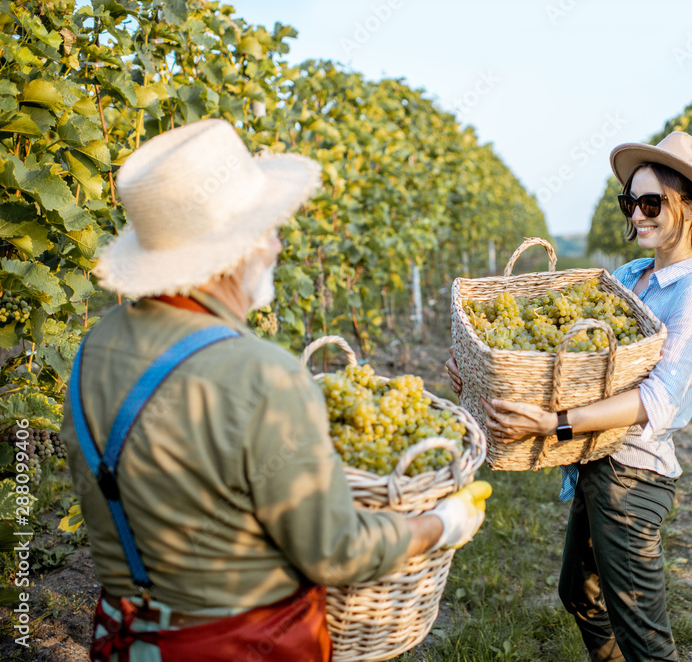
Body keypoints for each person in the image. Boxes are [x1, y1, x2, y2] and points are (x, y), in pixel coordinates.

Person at [62, 119, 489, 662]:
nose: (278, 244)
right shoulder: (260, 373)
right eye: (267, 229)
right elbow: (336, 553)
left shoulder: (95, 347)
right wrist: (439, 525)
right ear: (234, 251)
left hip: (126, 639)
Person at [446, 131, 692, 662]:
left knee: (645, 639)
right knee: (578, 594)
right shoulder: (628, 275)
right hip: (594, 458)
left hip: (632, 478)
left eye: (652, 203)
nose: (638, 214)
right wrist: (482, 371)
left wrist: (554, 423)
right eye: (631, 202)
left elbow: (656, 399)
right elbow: (568, 359)